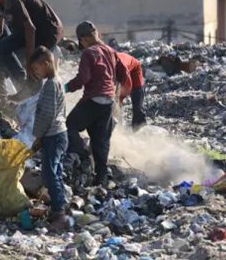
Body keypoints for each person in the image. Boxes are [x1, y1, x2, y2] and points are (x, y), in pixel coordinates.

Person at [64, 21, 129, 186]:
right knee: (100, 141)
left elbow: (83, 78)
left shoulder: (88, 53)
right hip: (108, 103)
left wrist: (65, 87)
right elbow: (124, 74)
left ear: (84, 39)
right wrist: (114, 90)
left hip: (93, 100)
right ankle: (101, 179)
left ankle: (82, 155)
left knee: (69, 125)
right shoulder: (111, 51)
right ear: (97, 34)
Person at [28, 47, 69, 231]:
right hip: (58, 134)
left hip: (53, 135)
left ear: (46, 63)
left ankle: (60, 214)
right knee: (55, 172)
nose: (36, 73)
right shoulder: (56, 82)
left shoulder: (51, 84)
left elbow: (47, 114)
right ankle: (58, 209)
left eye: (36, 68)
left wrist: (38, 136)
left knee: (50, 174)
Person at [117, 52, 147, 129]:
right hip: (121, 70)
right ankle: (118, 128)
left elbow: (128, 86)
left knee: (137, 105)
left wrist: (119, 99)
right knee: (115, 105)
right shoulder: (104, 66)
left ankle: (139, 128)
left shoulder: (122, 68)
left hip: (135, 71)